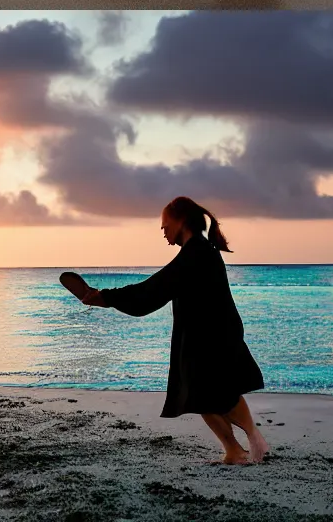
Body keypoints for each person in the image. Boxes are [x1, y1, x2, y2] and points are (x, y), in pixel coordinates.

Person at [62, 197, 268, 465]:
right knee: (198, 395)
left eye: (164, 225)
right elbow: (156, 289)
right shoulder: (197, 251)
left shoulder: (197, 253)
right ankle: (234, 451)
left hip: (212, 335)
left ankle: (253, 437)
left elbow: (153, 289)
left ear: (180, 220)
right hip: (201, 335)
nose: (163, 231)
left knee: (220, 392)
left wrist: (104, 296)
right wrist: (104, 297)